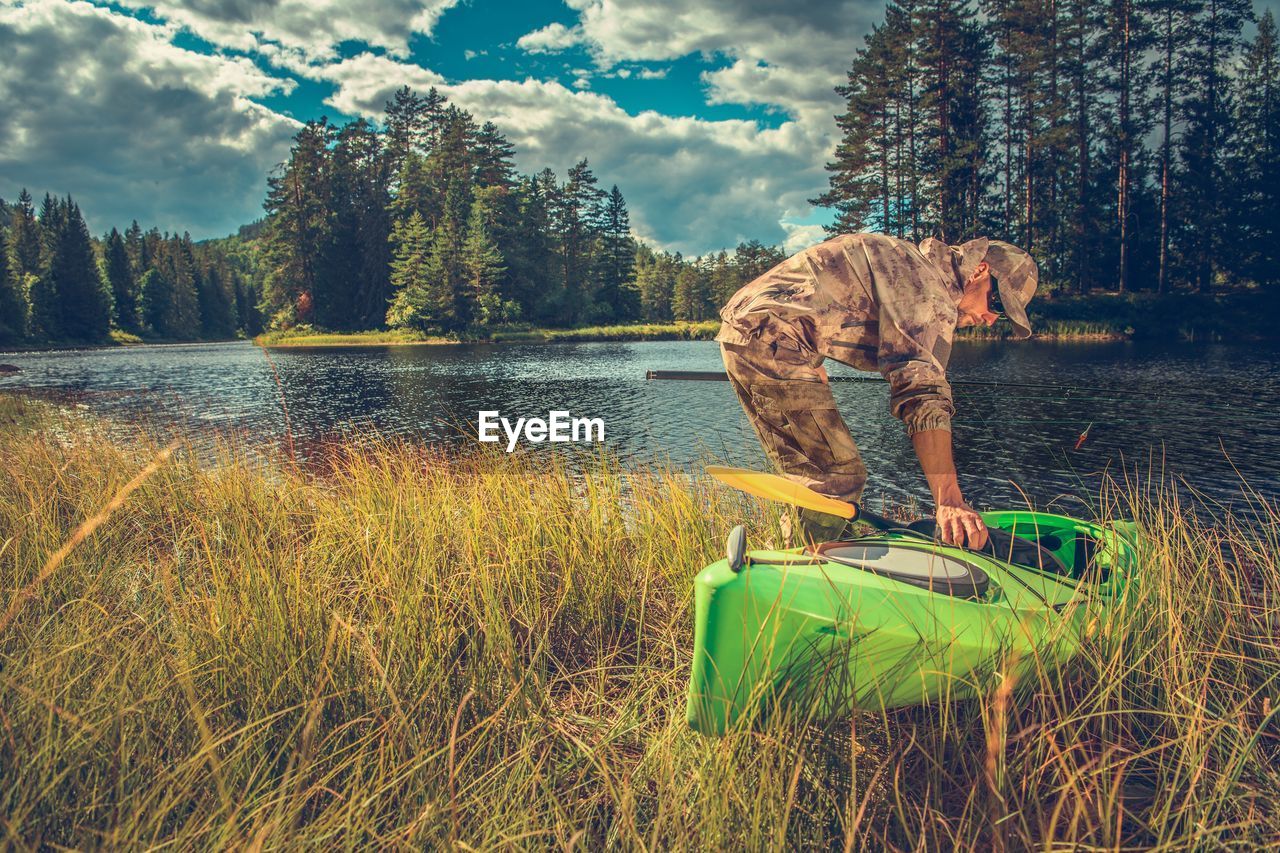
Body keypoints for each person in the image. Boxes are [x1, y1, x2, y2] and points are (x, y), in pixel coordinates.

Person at [716, 232, 1038, 548]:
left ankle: (807, 551)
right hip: (769, 339)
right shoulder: (928, 292)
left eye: (1003, 315)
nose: (990, 318)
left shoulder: (911, 267)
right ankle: (795, 575)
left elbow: (821, 285)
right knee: (836, 474)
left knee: (823, 475)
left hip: (762, 333)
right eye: (995, 301)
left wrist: (812, 354)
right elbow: (921, 393)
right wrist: (949, 500)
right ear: (979, 270)